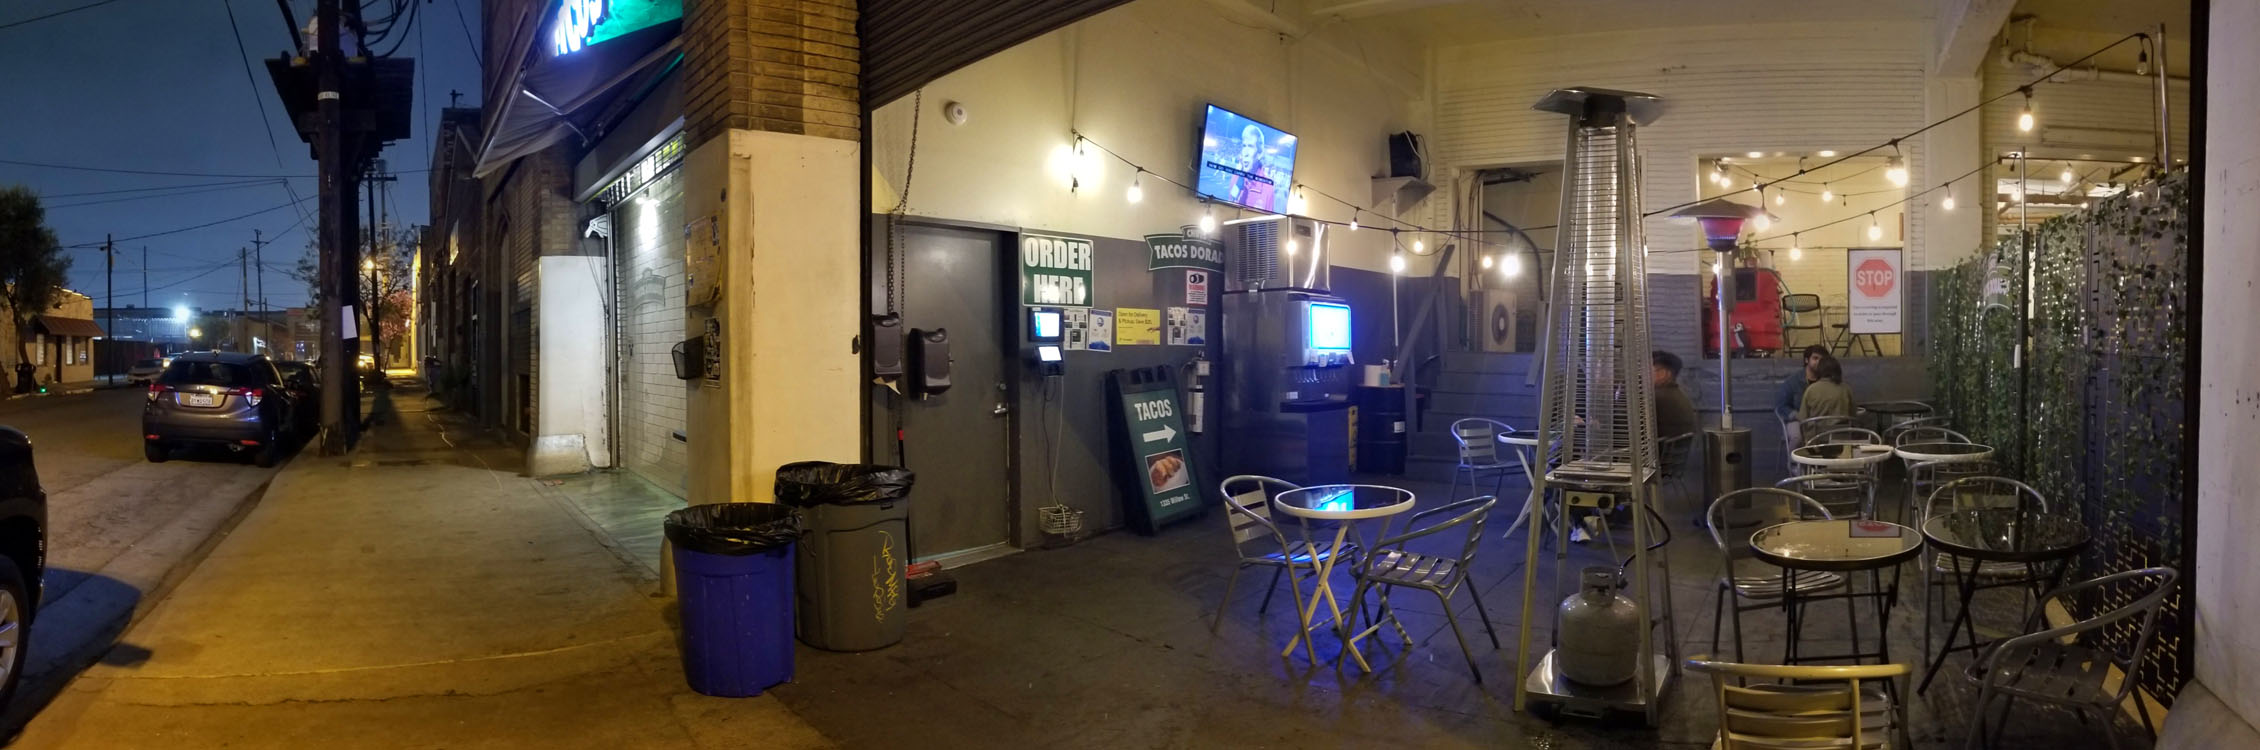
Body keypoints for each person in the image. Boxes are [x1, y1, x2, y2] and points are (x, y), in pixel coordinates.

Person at [1775, 345, 1832, 423]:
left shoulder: (1828, 381)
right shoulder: (1793, 382)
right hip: (1797, 421)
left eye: (1822, 360)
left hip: (1822, 422)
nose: (1819, 362)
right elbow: (1781, 406)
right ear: (1806, 360)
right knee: (1796, 435)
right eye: (1815, 358)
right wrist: (1797, 416)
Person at [1652, 350, 1698, 443]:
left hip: (1657, 456)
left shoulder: (1657, 398)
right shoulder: (1678, 394)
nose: (1640, 375)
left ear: (1662, 374)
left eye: (1648, 370)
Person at [1798, 356, 1856, 421]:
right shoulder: (1846, 389)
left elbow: (1802, 417)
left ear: (1819, 370)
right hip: (1842, 430)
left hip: (1817, 430)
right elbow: (1853, 414)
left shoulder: (1811, 390)